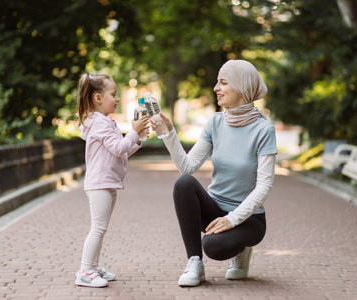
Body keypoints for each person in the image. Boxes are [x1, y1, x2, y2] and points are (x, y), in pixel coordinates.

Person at [154, 60, 277, 287]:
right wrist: (168, 133)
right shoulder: (215, 123)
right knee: (184, 183)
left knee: (214, 247)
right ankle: (194, 263)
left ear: (241, 87)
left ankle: (242, 249)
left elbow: (264, 186)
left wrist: (232, 220)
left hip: (249, 219)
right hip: (216, 211)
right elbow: (187, 166)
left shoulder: (263, 130)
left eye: (223, 83)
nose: (215, 88)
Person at [75, 73, 149, 287]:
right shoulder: (100, 124)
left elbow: (120, 152)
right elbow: (118, 147)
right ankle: (85, 271)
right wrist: (133, 132)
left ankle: (93, 267)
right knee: (97, 228)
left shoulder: (103, 122)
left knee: (101, 227)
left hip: (107, 182)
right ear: (98, 98)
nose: (117, 99)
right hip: (100, 184)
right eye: (113, 94)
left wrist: (138, 138)